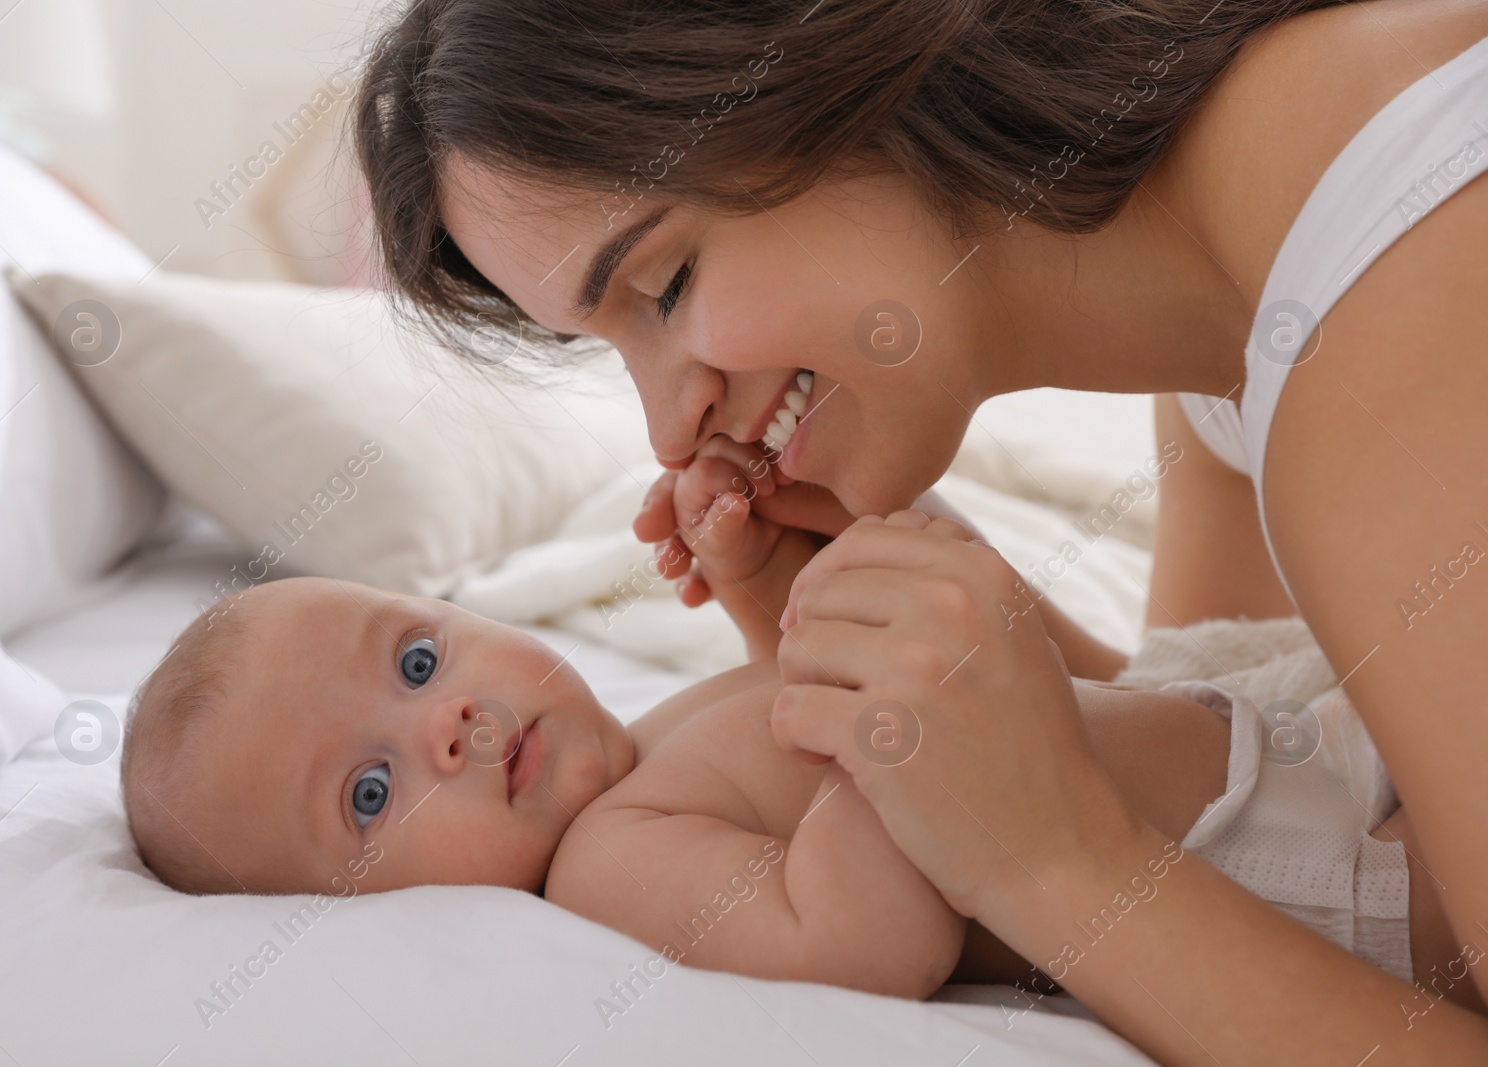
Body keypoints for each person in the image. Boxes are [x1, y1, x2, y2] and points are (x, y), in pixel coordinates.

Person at [349, 0, 1488, 1057]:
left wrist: (1058, 866)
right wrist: (861, 617)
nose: (666, 425)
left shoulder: (1393, 326)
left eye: (668, 280)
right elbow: (1222, 754)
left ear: (839, 62)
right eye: (609, 345)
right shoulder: (1256, 277)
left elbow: (1112, 833)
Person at [121, 444, 1466, 1009]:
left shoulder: (646, 744)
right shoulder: (606, 867)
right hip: (1302, 876)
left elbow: (848, 710)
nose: (451, 722)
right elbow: (856, 934)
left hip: (1298, 743)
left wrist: (799, 573)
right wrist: (875, 707)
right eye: (368, 792)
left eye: (418, 657)